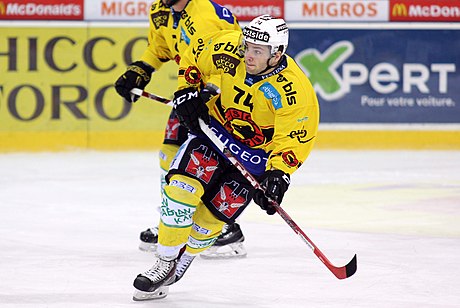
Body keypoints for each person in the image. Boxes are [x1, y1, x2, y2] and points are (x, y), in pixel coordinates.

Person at [131, 15, 320, 300]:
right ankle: (164, 261)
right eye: (247, 46)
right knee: (179, 191)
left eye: (258, 51)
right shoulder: (228, 50)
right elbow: (193, 56)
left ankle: (184, 259)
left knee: (208, 221)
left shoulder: (294, 91)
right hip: (215, 134)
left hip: (254, 158)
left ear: (277, 53)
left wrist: (279, 174)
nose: (248, 55)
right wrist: (186, 90)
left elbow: (295, 136)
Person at [114, 0, 247, 259]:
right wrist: (141, 69)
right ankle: (174, 221)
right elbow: (160, 46)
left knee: (208, 161)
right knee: (169, 154)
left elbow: (227, 61)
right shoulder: (160, 10)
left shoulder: (206, 15)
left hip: (220, 97)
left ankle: (223, 227)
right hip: (189, 91)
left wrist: (209, 94)